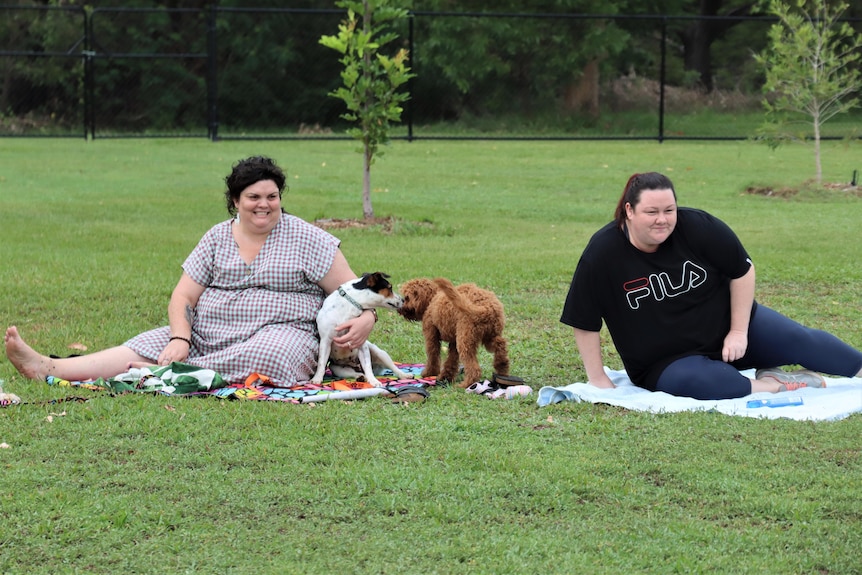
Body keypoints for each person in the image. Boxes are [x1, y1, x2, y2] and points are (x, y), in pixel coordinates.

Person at [5, 155, 377, 387]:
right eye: (253, 197)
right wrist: (180, 338)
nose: (264, 205)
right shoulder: (216, 237)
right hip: (209, 332)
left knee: (271, 357)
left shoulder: (307, 238)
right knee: (150, 344)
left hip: (280, 333)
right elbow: (184, 296)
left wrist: (367, 320)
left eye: (272, 196)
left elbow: (353, 292)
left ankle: (154, 374)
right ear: (235, 201)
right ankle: (47, 366)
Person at [561, 172, 862, 400]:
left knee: (801, 340)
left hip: (728, 334)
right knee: (710, 383)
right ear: (629, 211)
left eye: (669, 210)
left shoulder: (698, 226)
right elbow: (584, 318)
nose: (662, 220)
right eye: (651, 212)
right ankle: (773, 384)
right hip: (665, 362)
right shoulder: (603, 253)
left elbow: (742, 271)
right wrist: (597, 377)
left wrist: (738, 331)